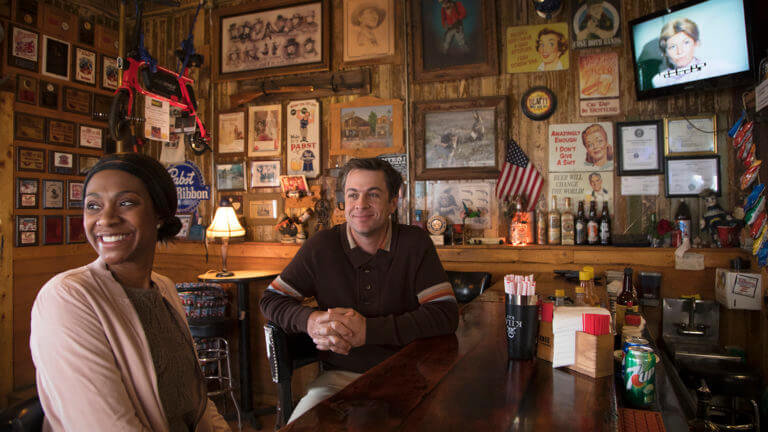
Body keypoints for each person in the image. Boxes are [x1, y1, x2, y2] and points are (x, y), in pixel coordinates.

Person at [29, 153, 230, 431]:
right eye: (93, 206)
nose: (106, 218)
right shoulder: (66, 298)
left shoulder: (164, 288)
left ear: (159, 214)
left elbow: (197, 402)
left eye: (125, 203)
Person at [260, 158, 458, 424]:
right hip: (337, 381)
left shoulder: (415, 243)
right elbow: (271, 299)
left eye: (373, 195)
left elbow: (445, 314)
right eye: (353, 195)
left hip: (410, 379)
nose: (361, 205)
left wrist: (369, 331)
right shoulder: (322, 246)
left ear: (392, 202)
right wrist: (309, 321)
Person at [651, 18, 711, 88]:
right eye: (672, 46)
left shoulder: (716, 69)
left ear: (696, 43)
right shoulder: (659, 81)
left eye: (686, 43)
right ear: (665, 53)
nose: (680, 51)